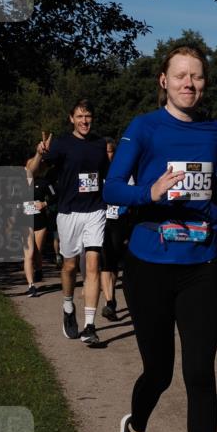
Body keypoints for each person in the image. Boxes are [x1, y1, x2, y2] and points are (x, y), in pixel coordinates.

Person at [104, 45, 217, 432]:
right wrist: (149, 191)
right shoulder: (144, 127)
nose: (189, 84)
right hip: (149, 263)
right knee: (159, 371)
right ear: (163, 80)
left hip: (201, 262)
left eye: (197, 77)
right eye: (180, 75)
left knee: (200, 373)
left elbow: (214, 189)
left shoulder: (214, 131)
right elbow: (112, 187)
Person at [28, 99, 109, 346]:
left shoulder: (100, 144)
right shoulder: (61, 144)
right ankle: (67, 306)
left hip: (95, 211)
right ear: (71, 119)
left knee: (93, 265)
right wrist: (39, 154)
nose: (85, 121)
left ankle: (90, 326)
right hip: (68, 212)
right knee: (70, 267)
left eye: (88, 116)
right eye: (80, 116)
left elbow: (106, 175)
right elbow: (32, 171)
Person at [100, 137, 132, 321]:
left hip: (120, 219)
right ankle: (109, 302)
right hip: (101, 219)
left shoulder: (124, 172)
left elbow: (132, 193)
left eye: (110, 151)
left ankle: (112, 298)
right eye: (104, 152)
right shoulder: (96, 171)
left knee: (115, 261)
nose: (107, 155)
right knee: (106, 260)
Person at [21, 156, 54, 297]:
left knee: (37, 252)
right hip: (24, 221)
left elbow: (54, 196)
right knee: (29, 254)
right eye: (29, 166)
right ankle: (31, 285)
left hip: (40, 222)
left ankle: (39, 268)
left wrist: (44, 204)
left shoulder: (43, 182)